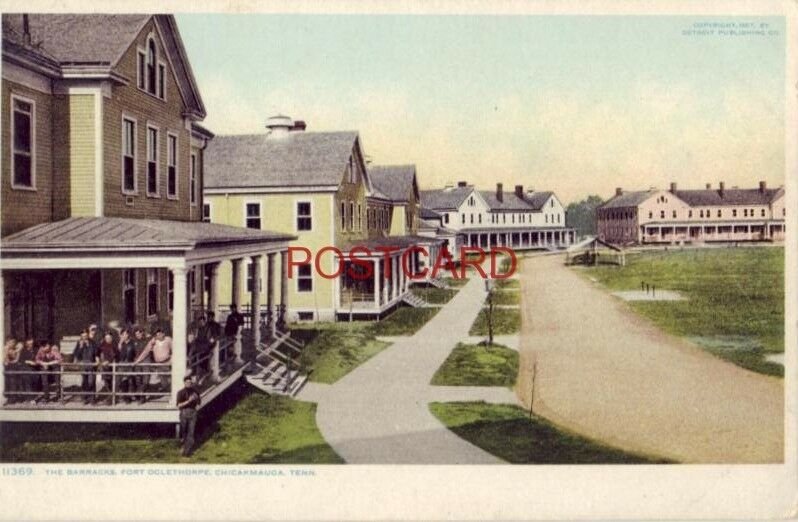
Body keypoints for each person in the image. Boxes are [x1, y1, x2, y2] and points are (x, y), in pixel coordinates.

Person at [134, 328, 172, 395]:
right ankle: (167, 390)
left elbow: (175, 349)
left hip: (168, 362)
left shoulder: (168, 339)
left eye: (160, 334)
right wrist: (138, 360)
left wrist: (172, 359)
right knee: (164, 382)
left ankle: (171, 393)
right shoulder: (153, 341)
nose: (158, 336)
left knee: (172, 379)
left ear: (163, 334)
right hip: (159, 364)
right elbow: (146, 351)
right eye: (157, 335)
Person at [176, 376, 201, 457]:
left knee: (191, 432)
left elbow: (199, 403)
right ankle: (183, 447)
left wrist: (196, 402)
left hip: (193, 413)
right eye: (187, 382)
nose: (188, 384)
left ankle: (187, 452)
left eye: (190, 382)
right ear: (184, 383)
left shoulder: (195, 392)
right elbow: (179, 405)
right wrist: (188, 401)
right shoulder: (180, 392)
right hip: (184, 412)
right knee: (184, 431)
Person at [72, 329, 99, 404]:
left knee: (91, 381)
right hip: (83, 364)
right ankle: (85, 398)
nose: (84, 337)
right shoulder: (79, 343)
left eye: (85, 336)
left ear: (88, 335)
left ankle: (92, 398)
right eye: (82, 336)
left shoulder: (92, 342)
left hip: (91, 364)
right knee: (84, 381)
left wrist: (97, 361)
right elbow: (76, 355)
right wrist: (80, 347)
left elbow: (96, 353)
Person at [117, 329, 137, 403]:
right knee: (123, 381)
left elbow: (135, 353)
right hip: (122, 364)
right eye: (123, 334)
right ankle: (125, 397)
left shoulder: (132, 343)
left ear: (128, 335)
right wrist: (120, 344)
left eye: (126, 334)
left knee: (130, 381)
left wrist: (134, 362)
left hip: (129, 363)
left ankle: (131, 396)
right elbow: (118, 354)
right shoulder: (120, 344)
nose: (125, 336)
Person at [97, 332, 118, 404]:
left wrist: (109, 361)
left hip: (112, 367)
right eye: (106, 338)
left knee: (112, 382)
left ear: (111, 338)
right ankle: (110, 397)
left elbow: (115, 355)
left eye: (109, 338)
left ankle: (112, 399)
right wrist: (99, 361)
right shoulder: (102, 345)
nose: (108, 339)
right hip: (104, 367)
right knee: (106, 383)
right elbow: (97, 353)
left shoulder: (114, 345)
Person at [132, 327, 151, 403]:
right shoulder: (134, 341)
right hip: (137, 362)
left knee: (146, 379)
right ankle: (142, 397)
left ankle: (140, 393)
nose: (137, 335)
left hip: (146, 361)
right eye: (136, 334)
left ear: (142, 333)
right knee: (138, 380)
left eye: (139, 333)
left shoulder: (147, 340)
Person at [17, 338, 38, 403]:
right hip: (26, 369)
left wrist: (36, 362)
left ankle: (31, 397)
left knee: (34, 383)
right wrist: (28, 361)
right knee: (28, 383)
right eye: (29, 344)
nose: (30, 345)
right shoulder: (23, 351)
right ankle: (30, 398)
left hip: (35, 369)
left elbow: (38, 358)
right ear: (26, 344)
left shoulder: (36, 350)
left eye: (32, 344)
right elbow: (20, 360)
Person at [3, 338, 19, 403]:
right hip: (8, 368)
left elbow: (15, 359)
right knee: (9, 382)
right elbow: (6, 360)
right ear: (8, 342)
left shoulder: (13, 349)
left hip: (11, 368)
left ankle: (12, 398)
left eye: (14, 342)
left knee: (13, 382)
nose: (13, 344)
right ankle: (9, 398)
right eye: (12, 342)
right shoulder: (6, 348)